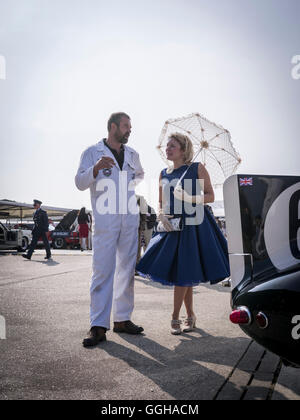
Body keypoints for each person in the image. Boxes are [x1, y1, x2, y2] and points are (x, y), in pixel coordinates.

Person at [136, 133, 230, 335]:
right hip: (172, 225)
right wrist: (160, 213)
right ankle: (191, 316)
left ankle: (175, 316)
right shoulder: (163, 173)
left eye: (172, 146)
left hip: (195, 225)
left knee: (184, 271)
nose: (167, 149)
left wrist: (190, 197)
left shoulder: (196, 168)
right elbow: (161, 200)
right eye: (167, 146)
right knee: (185, 271)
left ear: (183, 149)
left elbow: (210, 196)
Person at [75, 112, 145, 347]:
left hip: (128, 217)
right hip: (105, 220)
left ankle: (123, 319)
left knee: (126, 269)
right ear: (113, 127)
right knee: (103, 270)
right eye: (126, 126)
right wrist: (95, 169)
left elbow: (140, 176)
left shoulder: (133, 154)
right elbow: (79, 182)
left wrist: (127, 183)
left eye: (130, 126)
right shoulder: (92, 152)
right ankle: (98, 325)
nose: (129, 130)